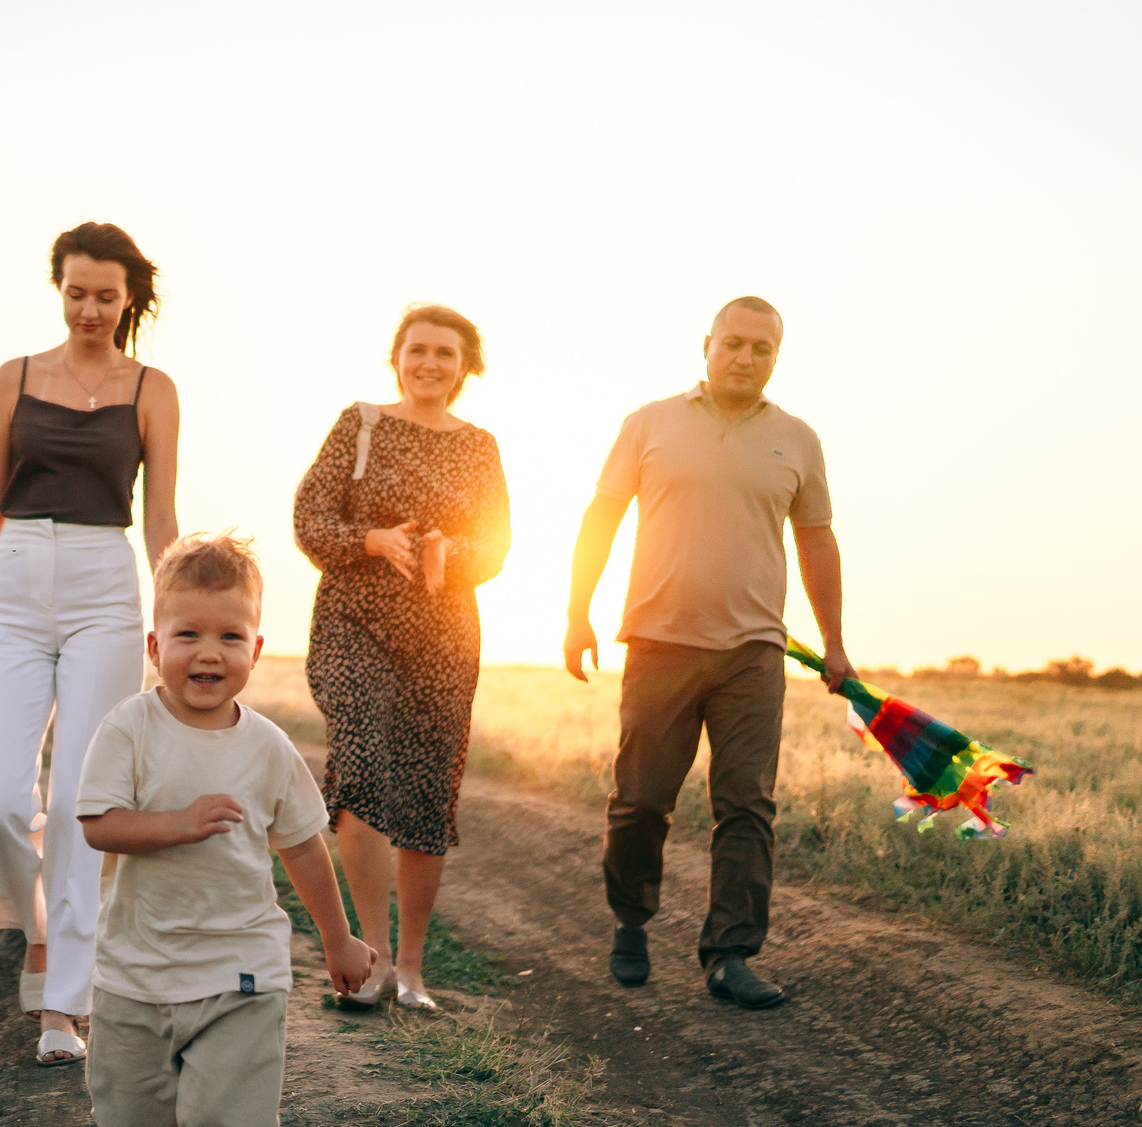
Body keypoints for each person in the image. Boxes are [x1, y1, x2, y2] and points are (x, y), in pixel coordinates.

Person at [75, 534, 375, 1127]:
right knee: (128, 1109)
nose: (208, 654)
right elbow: (99, 824)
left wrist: (340, 942)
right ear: (155, 645)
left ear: (257, 646)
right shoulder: (129, 729)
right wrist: (176, 823)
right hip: (138, 967)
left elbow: (306, 845)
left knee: (234, 1119)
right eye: (188, 635)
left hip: (243, 968)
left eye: (229, 636)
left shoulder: (267, 748)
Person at [562, 296, 855, 1010]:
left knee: (747, 806)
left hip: (754, 651)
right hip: (659, 642)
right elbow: (602, 515)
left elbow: (816, 539)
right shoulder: (649, 423)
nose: (745, 357)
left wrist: (837, 641)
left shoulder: (798, 439)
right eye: (734, 343)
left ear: (775, 357)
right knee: (639, 802)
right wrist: (578, 612)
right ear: (707, 344)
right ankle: (631, 918)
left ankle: (730, 953)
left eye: (762, 348)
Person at [0, 222, 181, 1065]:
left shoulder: (152, 388)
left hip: (103, 580)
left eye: (106, 297)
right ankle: (40, 929)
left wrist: (174, 618)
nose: (90, 309)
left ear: (129, 301)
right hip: (13, 578)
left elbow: (159, 516)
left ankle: (61, 1008)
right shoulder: (14, 378)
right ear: (59, 288)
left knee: (85, 803)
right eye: (77, 292)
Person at [291, 304, 511, 1011]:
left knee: (424, 790)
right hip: (355, 621)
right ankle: (372, 959)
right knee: (359, 769)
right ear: (396, 356)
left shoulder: (480, 445)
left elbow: (498, 543)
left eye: (445, 353)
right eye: (417, 349)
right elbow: (310, 516)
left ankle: (413, 971)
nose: (429, 363)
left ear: (465, 366)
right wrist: (373, 541)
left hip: (444, 636)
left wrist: (453, 554)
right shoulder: (359, 425)